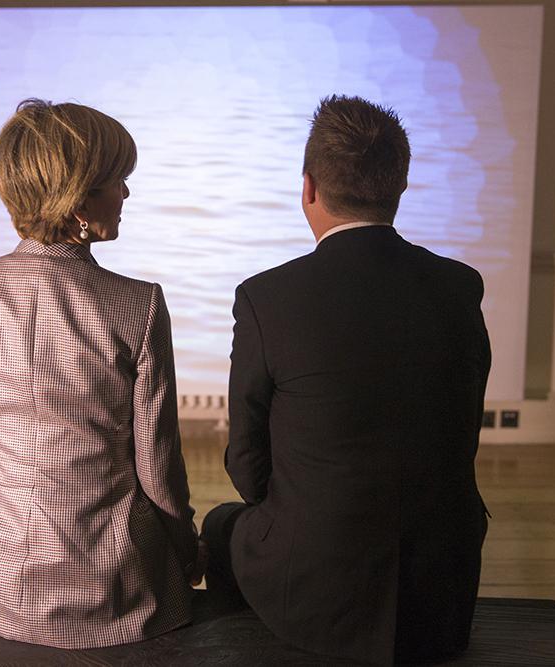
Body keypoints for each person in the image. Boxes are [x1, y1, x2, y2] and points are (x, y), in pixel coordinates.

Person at [202, 95, 491, 665]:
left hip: (316, 596)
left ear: (308, 187)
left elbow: (247, 466)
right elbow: (459, 436)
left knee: (219, 526)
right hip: (439, 593)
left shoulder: (266, 298)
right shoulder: (461, 287)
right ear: (400, 188)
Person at [0, 99, 203, 649]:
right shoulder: (139, 305)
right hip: (111, 591)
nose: (126, 194)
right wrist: (188, 554)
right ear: (77, 199)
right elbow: (158, 471)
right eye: (116, 181)